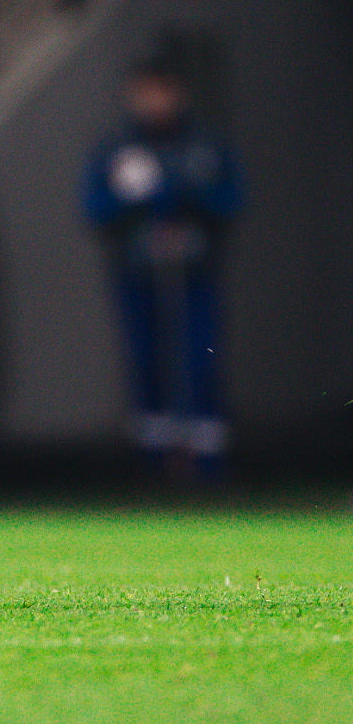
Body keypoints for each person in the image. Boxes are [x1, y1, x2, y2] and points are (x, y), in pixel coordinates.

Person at [83, 52, 241, 480]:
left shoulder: (204, 146)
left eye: (163, 91)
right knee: (146, 363)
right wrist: (133, 200)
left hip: (194, 273)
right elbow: (95, 210)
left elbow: (231, 202)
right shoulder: (118, 150)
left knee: (199, 362)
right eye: (147, 92)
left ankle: (206, 463)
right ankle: (154, 464)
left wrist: (186, 193)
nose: (155, 101)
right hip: (139, 274)